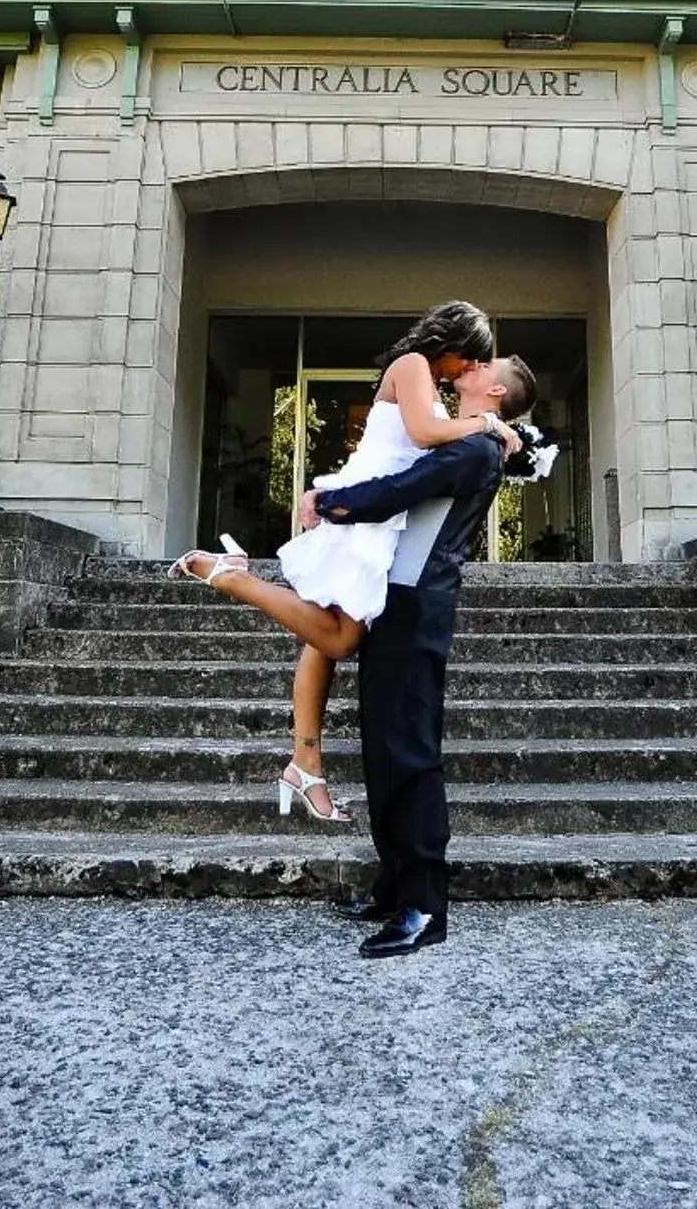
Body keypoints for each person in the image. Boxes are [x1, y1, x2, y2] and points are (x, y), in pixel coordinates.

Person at [182, 353, 544, 959]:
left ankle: (425, 906)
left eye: (486, 364)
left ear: (498, 389)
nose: (472, 365)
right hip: (394, 602)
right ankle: (394, 887)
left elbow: (394, 493)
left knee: (410, 755)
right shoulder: (470, 439)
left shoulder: (476, 451)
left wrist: (325, 501)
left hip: (416, 607)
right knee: (383, 750)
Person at [171, 301, 515, 823]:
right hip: (364, 516)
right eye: (468, 361)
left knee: (324, 640)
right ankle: (231, 579)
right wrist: (488, 423)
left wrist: (486, 426)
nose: (467, 371)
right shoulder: (414, 366)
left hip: (378, 519)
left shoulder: (430, 380)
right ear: (453, 344)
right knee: (341, 638)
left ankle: (305, 766)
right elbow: (423, 435)